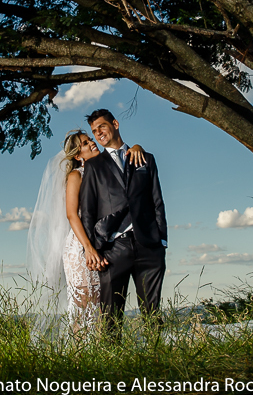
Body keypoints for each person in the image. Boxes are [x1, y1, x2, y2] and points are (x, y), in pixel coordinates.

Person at [26, 129, 146, 338]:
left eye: (90, 139)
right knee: (83, 309)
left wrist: (137, 148)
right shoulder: (76, 175)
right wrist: (88, 249)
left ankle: (100, 353)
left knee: (103, 307)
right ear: (77, 155)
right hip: (81, 246)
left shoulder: (104, 170)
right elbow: (72, 215)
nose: (92, 143)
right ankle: (80, 354)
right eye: (85, 143)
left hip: (103, 246)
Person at [79, 108, 167, 337]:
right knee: (111, 318)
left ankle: (157, 355)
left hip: (149, 247)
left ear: (115, 124)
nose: (98, 133)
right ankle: (112, 359)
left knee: (152, 315)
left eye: (102, 126)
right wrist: (93, 250)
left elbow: (157, 200)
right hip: (113, 250)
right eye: (94, 131)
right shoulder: (93, 166)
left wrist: (161, 242)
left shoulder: (145, 159)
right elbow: (87, 212)